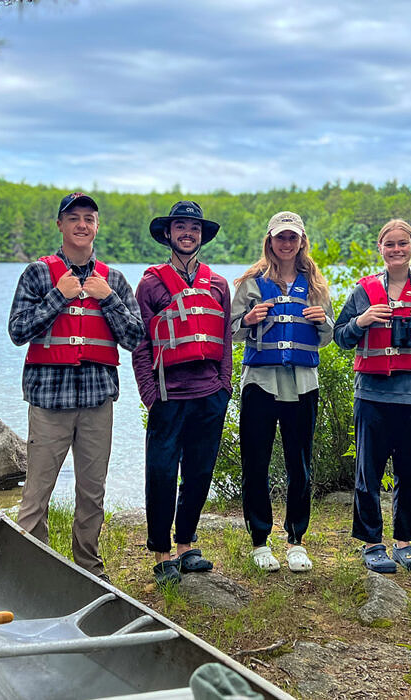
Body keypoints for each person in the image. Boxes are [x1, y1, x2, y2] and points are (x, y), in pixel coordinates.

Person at [7, 192, 144, 580]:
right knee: (36, 494)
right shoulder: (37, 274)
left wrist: (108, 299)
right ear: (60, 225)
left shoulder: (113, 279)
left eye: (89, 218)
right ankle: (33, 569)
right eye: (73, 218)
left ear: (97, 226)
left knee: (92, 493)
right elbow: (18, 331)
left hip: (97, 400)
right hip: (50, 400)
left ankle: (88, 569)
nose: (82, 225)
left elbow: (135, 338)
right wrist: (58, 296)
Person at [333, 219, 411, 574]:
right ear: (381, 249)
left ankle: (405, 543)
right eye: (389, 244)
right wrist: (362, 321)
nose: (396, 250)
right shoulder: (363, 292)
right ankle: (372, 544)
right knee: (367, 473)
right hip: (373, 395)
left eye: (402, 244)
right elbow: (340, 337)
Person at [133, 200, 232, 586]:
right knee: (160, 472)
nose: (187, 233)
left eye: (193, 227)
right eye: (180, 227)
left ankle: (186, 544)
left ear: (201, 234)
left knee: (199, 471)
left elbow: (224, 341)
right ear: (169, 234)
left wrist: (224, 388)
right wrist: (149, 394)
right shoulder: (151, 284)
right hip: (168, 394)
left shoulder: (219, 284)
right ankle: (161, 552)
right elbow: (141, 344)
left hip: (210, 394)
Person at [230, 211, 333, 572]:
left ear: (302, 241)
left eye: (293, 237)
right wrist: (248, 319)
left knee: (299, 465)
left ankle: (295, 540)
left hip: (303, 383)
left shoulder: (316, 284)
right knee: (255, 463)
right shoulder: (251, 283)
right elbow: (232, 331)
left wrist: (325, 322)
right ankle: (260, 541)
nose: (286, 244)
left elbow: (327, 335)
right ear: (270, 241)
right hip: (261, 383)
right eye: (280, 237)